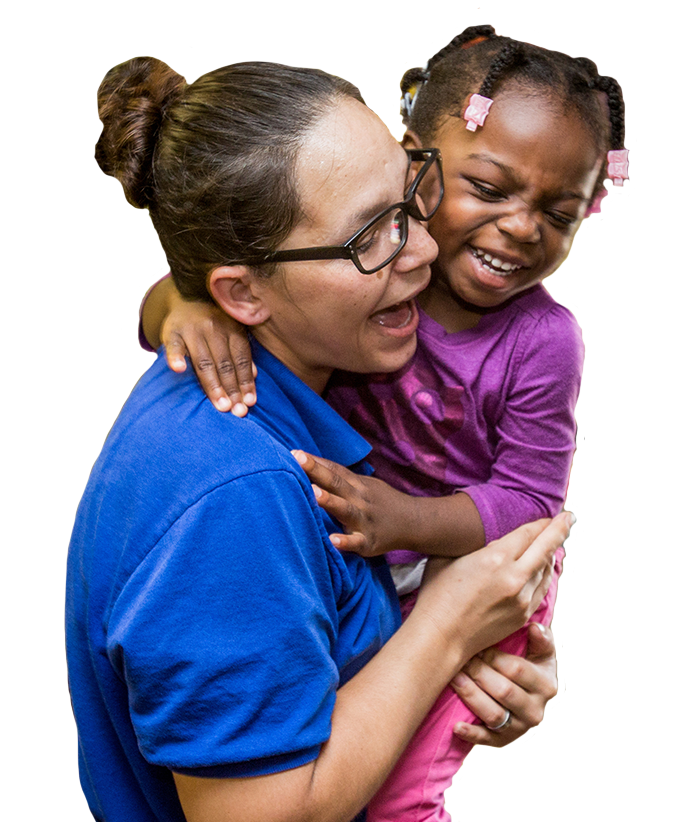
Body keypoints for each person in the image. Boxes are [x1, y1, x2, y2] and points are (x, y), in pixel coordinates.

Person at [137, 24, 627, 822]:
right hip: (381, 555)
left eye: (560, 211)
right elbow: (242, 271)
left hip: (468, 557)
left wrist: (411, 535)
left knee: (400, 793)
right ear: (417, 166)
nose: (523, 227)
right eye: (493, 189)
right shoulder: (368, 271)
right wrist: (179, 303)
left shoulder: (541, 339)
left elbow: (534, 506)